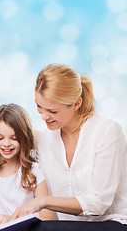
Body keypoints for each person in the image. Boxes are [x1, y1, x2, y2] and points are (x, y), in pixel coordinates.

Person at [11, 63, 127, 231]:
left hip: (114, 223)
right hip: (69, 226)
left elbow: (98, 203)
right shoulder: (45, 139)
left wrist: (43, 201)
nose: (43, 116)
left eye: (52, 111)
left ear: (76, 103)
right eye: (38, 106)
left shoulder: (108, 131)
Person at [0, 104, 55, 228]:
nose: (6, 144)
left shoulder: (35, 171)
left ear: (24, 138)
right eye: (0, 138)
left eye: (14, 138)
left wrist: (10, 221)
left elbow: (47, 218)